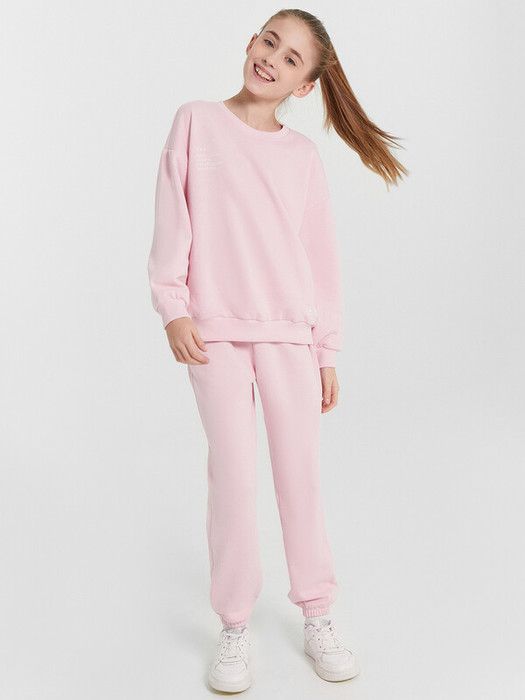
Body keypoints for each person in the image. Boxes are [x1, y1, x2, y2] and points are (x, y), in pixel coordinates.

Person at [147, 9, 407, 694]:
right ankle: (234, 625)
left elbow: (319, 257)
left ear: (304, 86)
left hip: (291, 335)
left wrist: (326, 350)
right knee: (232, 478)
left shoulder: (301, 157)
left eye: (292, 58)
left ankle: (317, 612)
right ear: (250, 41)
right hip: (215, 334)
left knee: (300, 476)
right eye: (270, 41)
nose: (272, 58)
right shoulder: (195, 121)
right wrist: (173, 306)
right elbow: (173, 217)